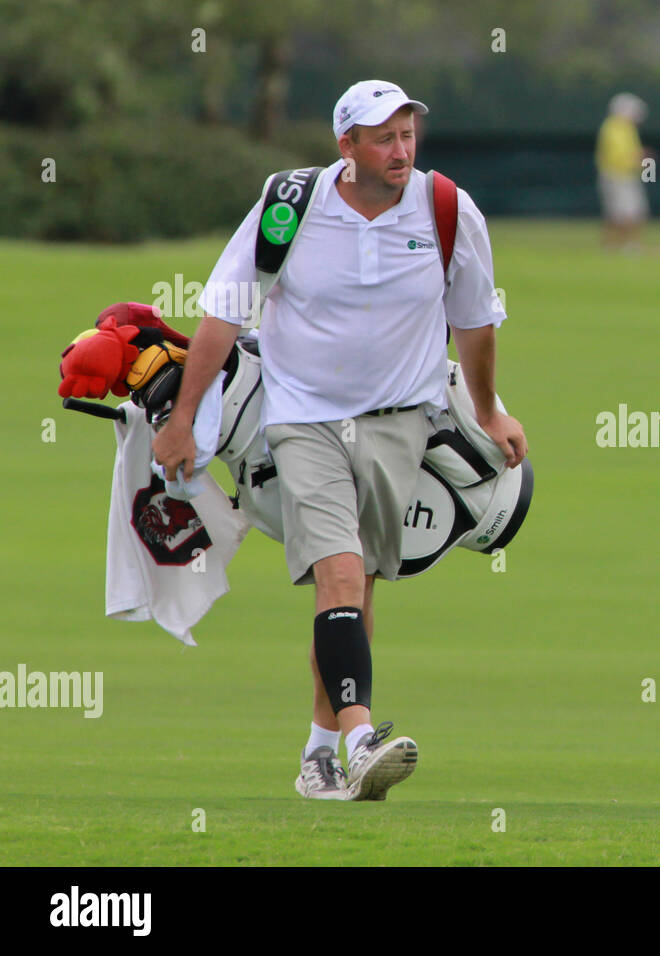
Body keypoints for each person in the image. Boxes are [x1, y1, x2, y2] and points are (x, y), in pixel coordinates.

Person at [152, 79, 527, 801]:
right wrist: (181, 418)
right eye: (384, 138)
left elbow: (476, 320)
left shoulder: (447, 207)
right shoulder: (289, 205)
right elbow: (224, 314)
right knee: (342, 576)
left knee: (360, 587)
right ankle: (361, 739)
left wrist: (489, 411)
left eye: (408, 133)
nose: (401, 150)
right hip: (303, 419)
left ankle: (319, 756)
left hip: (403, 422)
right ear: (345, 146)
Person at [595, 92, 650, 251]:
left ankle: (621, 245)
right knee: (622, 213)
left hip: (625, 175)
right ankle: (619, 245)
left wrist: (640, 160)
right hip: (616, 176)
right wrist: (639, 158)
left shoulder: (625, 128)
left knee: (629, 212)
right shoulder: (614, 127)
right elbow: (618, 155)